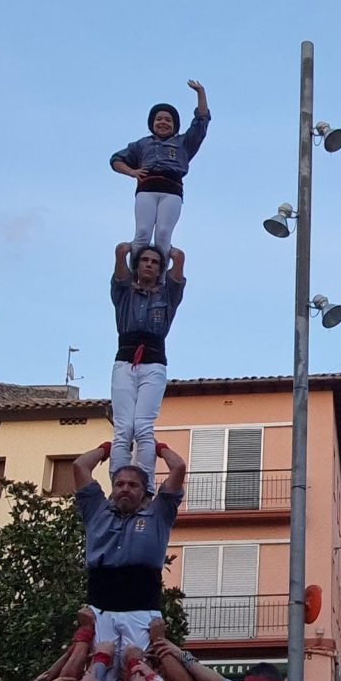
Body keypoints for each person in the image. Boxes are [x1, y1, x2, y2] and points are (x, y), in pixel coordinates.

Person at [72, 439, 186, 667]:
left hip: (142, 609)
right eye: (120, 484)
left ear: (145, 492)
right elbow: (80, 466)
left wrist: (157, 447)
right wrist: (106, 448)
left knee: (138, 673)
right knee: (100, 677)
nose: (125, 488)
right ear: (113, 488)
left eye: (133, 485)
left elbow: (178, 467)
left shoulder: (159, 514)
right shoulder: (96, 510)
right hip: (100, 608)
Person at [107, 242, 187, 481]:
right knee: (123, 429)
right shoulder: (124, 292)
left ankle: (145, 484)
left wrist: (167, 250)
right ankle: (118, 481)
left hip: (153, 363)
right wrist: (130, 248)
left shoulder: (167, 295)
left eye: (154, 262)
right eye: (145, 260)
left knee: (142, 426)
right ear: (136, 265)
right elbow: (120, 255)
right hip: (125, 361)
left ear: (160, 269)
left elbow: (179, 262)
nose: (149, 265)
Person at [111, 81, 211, 260]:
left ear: (174, 125)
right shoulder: (142, 144)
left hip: (171, 190)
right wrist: (132, 172)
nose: (163, 122)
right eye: (159, 119)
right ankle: (137, 276)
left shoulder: (183, 143)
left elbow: (201, 123)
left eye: (167, 120)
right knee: (142, 232)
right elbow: (116, 159)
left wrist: (200, 93)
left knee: (163, 234)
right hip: (147, 188)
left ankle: (161, 280)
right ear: (152, 123)